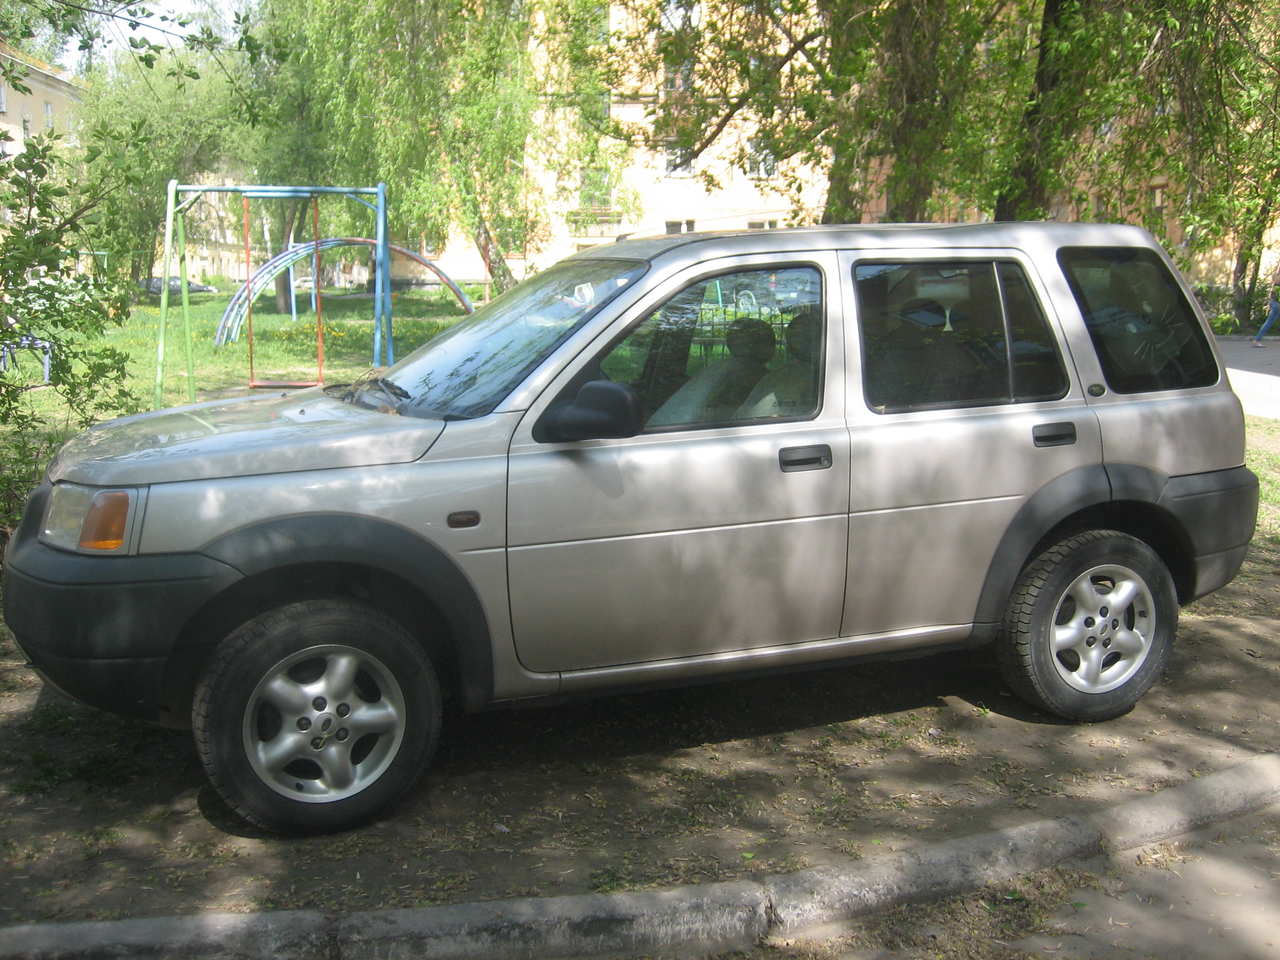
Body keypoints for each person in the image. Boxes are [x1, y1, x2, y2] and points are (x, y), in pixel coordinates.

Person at [1254, 278, 1280, 347]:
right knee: (1268, 323)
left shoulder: (1276, 280)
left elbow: (1272, 293)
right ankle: (1257, 340)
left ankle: (1257, 340)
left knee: (1268, 323)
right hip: (1277, 304)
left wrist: (1270, 303)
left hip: (1274, 303)